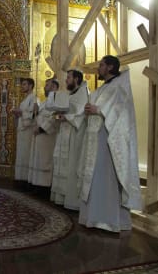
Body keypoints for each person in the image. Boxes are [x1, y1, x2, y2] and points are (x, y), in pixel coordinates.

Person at [78, 55, 142, 232]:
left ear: (111, 67)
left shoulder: (120, 86)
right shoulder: (100, 90)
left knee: (107, 180)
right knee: (94, 179)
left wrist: (98, 110)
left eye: (102, 65)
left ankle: (110, 220)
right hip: (95, 141)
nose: (99, 68)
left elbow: (122, 113)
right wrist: (88, 110)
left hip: (109, 143)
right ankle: (93, 217)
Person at [50, 70, 89, 210]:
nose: (66, 80)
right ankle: (61, 197)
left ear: (76, 79)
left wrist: (66, 116)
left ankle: (72, 200)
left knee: (71, 165)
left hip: (74, 134)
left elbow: (81, 114)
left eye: (69, 77)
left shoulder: (83, 93)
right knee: (62, 163)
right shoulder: (71, 93)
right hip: (65, 131)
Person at [27, 78, 59, 197]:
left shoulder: (56, 100)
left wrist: (41, 129)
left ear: (54, 86)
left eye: (47, 85)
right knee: (38, 161)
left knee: (46, 162)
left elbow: (53, 118)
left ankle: (45, 188)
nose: (44, 87)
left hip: (47, 136)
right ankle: (37, 186)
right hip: (39, 135)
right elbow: (39, 116)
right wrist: (35, 112)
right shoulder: (46, 101)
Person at [12, 78, 37, 186]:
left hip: (28, 131)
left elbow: (33, 115)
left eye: (24, 84)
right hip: (22, 130)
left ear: (31, 85)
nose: (22, 86)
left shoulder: (34, 99)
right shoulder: (26, 99)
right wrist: (18, 113)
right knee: (21, 155)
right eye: (22, 84)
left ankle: (26, 180)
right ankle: (20, 179)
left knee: (26, 155)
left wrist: (20, 112)